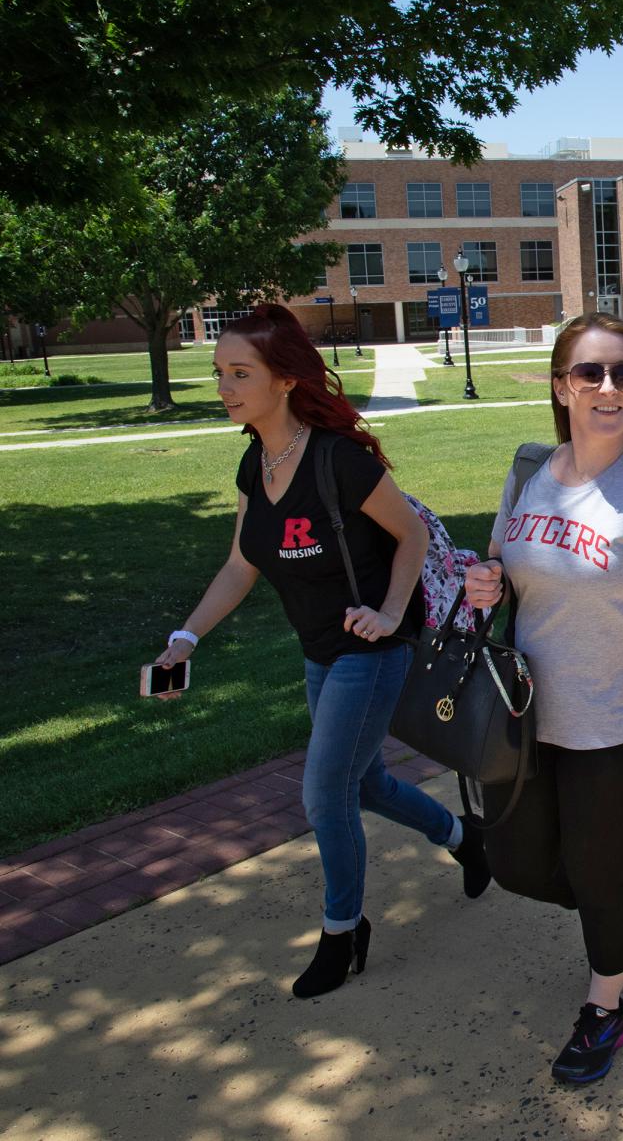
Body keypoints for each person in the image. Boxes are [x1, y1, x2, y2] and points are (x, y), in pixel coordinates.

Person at [152, 305, 490, 999]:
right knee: (360, 785)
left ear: (283, 379)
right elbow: (240, 564)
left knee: (323, 793)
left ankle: (344, 931)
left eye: (240, 373)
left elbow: (412, 538)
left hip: (373, 650)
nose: (225, 387)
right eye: (219, 374)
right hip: (321, 654)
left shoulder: (340, 460)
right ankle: (464, 836)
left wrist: (391, 611)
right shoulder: (256, 462)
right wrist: (183, 639)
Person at [461, 312, 623, 1085]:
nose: (610, 388)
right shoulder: (529, 471)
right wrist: (488, 582)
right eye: (591, 374)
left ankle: (606, 1007)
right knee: (515, 866)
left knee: (593, 872)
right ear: (560, 386)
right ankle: (620, 905)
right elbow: (504, 573)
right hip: (528, 719)